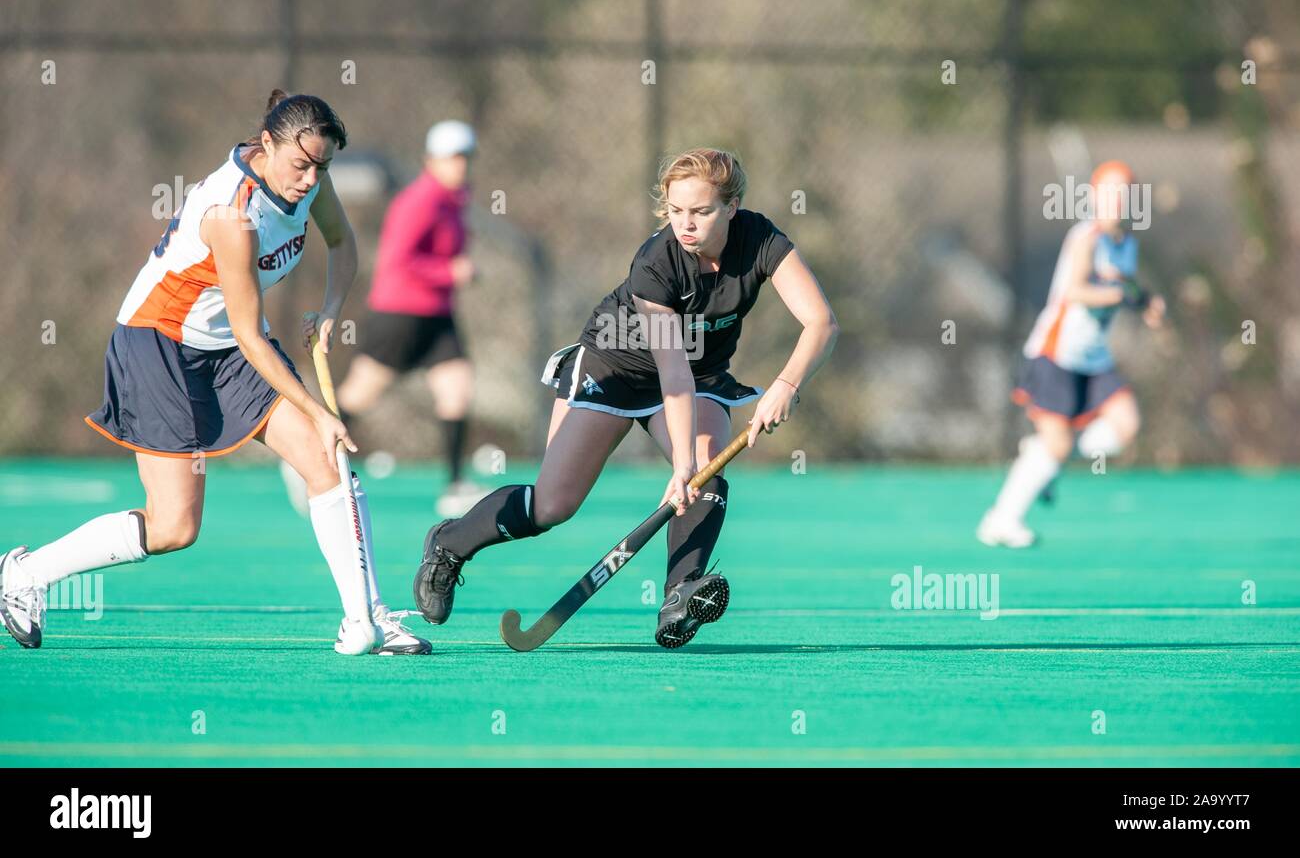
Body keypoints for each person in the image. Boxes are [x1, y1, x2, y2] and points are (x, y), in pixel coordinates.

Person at [0, 91, 430, 656]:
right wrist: (318, 410)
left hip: (227, 342)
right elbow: (253, 338)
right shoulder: (233, 216)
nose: (310, 180)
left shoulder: (310, 180)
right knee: (175, 526)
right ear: (267, 144)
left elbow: (342, 244)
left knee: (326, 460)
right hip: (160, 343)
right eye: (301, 166)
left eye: (321, 167)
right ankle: (25, 574)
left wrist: (329, 311)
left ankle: (367, 618)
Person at [412, 148, 838, 647]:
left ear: (732, 206)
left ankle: (680, 595)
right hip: (616, 368)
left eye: (700, 211)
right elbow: (670, 372)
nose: (686, 223)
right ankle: (449, 544)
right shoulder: (657, 263)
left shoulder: (762, 240)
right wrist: (679, 466)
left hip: (700, 374)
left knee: (705, 470)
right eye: (676, 211)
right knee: (552, 505)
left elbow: (821, 322)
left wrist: (786, 385)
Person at [297, 119, 485, 518]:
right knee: (360, 395)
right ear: (431, 161)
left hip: (438, 315)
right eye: (452, 157)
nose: (461, 165)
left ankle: (453, 485)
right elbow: (400, 260)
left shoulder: (455, 200)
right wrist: (450, 272)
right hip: (401, 313)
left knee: (457, 388)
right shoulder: (419, 201)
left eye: (466, 157)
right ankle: (303, 458)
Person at [978, 160, 1165, 548]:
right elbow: (1076, 291)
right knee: (1058, 444)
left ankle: (1043, 456)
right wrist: (1118, 295)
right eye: (1110, 192)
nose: (1117, 200)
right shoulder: (1086, 238)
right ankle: (1001, 519)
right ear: (1095, 197)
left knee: (1126, 425)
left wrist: (1146, 302)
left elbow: (1126, 286)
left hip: (1094, 359)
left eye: (1125, 193)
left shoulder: (1127, 244)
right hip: (1056, 354)